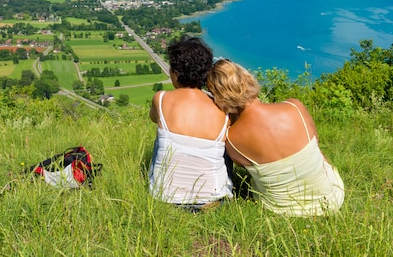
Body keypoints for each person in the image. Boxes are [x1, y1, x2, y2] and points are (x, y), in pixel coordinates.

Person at [206, 59, 345, 216]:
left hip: (283, 210)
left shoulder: (232, 140)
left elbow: (244, 165)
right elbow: (316, 144)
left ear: (219, 97)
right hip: (332, 200)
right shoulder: (295, 107)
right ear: (247, 78)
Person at [148, 36, 233, 209]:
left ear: (176, 74)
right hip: (214, 200)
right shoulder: (223, 109)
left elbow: (153, 118)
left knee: (163, 133)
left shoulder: (161, 99)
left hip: (164, 197)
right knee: (222, 142)